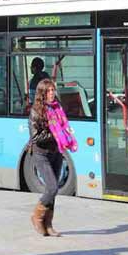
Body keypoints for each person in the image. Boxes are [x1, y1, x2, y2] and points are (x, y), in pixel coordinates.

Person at [28, 78, 78, 237]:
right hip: (41, 153)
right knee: (52, 187)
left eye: (53, 90)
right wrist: (56, 134)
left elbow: (63, 125)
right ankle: (37, 215)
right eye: (48, 91)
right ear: (42, 93)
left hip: (56, 152)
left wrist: (65, 133)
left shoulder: (57, 108)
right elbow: (35, 137)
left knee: (54, 189)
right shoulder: (36, 111)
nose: (52, 93)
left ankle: (48, 224)